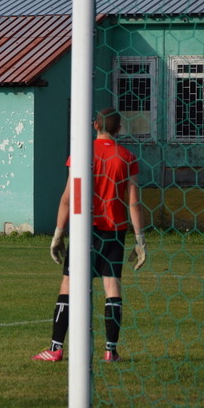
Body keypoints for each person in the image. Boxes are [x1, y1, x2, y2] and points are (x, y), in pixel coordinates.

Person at [33, 108, 146, 363]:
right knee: (112, 285)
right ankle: (110, 351)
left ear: (95, 125)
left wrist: (58, 234)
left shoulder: (81, 154)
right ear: (119, 129)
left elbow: (67, 198)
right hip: (114, 231)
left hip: (85, 229)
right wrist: (140, 240)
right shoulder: (127, 157)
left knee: (69, 284)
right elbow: (134, 203)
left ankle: (55, 348)